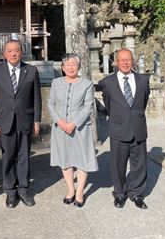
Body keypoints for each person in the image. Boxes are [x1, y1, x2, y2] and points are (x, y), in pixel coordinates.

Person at [0, 39, 42, 208]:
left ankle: (24, 189)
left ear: (21, 52)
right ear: (4, 54)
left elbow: (36, 98)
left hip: (25, 120)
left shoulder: (31, 71)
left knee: (23, 156)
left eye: (16, 50)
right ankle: (10, 191)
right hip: (5, 121)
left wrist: (36, 120)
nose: (13, 53)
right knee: (8, 156)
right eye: (9, 51)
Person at [99, 48, 150, 209]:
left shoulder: (143, 80)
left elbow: (143, 102)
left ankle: (136, 193)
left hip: (138, 127)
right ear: (116, 62)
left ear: (133, 61)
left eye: (128, 59)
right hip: (118, 129)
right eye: (122, 60)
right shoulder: (107, 83)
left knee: (139, 164)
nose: (125, 62)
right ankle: (120, 193)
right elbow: (108, 105)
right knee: (117, 164)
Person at [48, 54, 98, 208]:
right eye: (67, 64)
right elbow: (50, 103)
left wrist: (74, 123)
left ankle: (80, 191)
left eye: (73, 64)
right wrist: (60, 122)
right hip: (60, 128)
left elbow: (88, 105)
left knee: (82, 159)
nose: (70, 67)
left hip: (80, 129)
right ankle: (71, 189)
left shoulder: (87, 84)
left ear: (79, 67)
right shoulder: (56, 83)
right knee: (65, 158)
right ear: (62, 68)